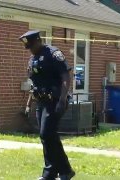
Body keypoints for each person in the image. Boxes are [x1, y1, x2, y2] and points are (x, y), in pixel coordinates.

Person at [19, 30, 75, 180]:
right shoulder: (33, 59)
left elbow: (65, 76)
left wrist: (63, 100)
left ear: (38, 40)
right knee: (47, 137)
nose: (30, 49)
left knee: (47, 133)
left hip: (55, 100)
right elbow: (34, 84)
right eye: (28, 47)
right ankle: (59, 172)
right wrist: (29, 104)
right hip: (41, 102)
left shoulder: (53, 53)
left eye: (31, 46)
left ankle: (56, 171)